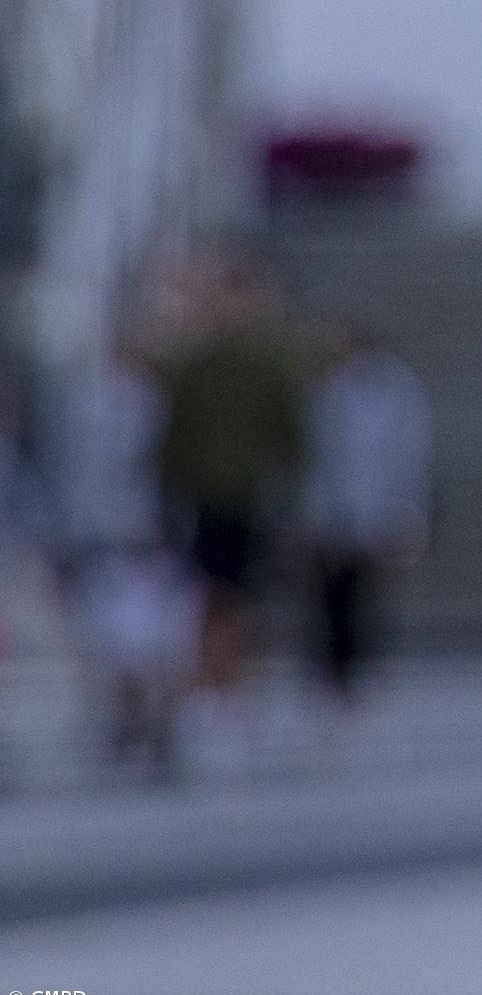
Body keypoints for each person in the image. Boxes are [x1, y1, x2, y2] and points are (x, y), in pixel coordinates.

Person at [139, 249, 302, 718]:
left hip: (249, 496)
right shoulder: (194, 362)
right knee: (208, 597)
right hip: (203, 495)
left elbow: (287, 433)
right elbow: (174, 432)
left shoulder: (271, 363)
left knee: (239, 597)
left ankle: (228, 687)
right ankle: (209, 687)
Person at [299, 318, 432, 719]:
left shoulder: (396, 389)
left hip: (376, 509)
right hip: (328, 512)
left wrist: (405, 513)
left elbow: (408, 456)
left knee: (365, 596)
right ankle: (328, 675)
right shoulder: (324, 390)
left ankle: (360, 672)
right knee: (328, 596)